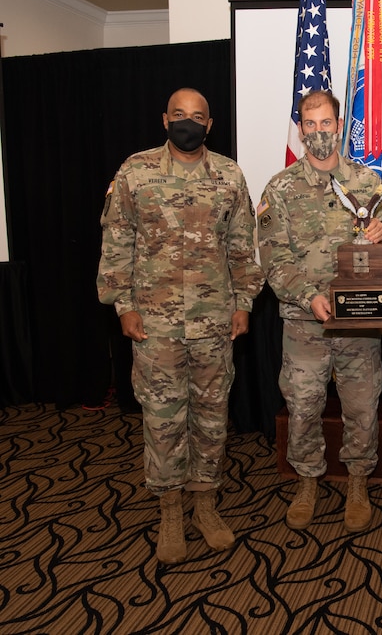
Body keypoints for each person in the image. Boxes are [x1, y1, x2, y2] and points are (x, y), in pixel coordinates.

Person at [97, 87, 264, 565]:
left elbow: (240, 245)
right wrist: (122, 304)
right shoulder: (136, 170)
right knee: (164, 418)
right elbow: (117, 239)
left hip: (214, 322)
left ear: (209, 125)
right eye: (179, 114)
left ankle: (205, 506)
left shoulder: (229, 174)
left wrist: (244, 303)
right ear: (164, 119)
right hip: (155, 324)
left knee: (211, 417)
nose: (187, 122)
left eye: (197, 116)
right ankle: (170, 512)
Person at [257, 90, 382, 533]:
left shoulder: (368, 183)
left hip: (359, 322)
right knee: (302, 405)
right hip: (306, 325)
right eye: (310, 124)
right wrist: (307, 295)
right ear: (300, 128)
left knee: (362, 404)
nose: (319, 132)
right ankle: (307, 479)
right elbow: (273, 258)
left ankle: (357, 480)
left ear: (339, 125)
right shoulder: (279, 189)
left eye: (326, 123)